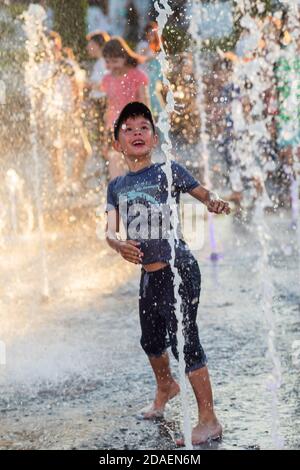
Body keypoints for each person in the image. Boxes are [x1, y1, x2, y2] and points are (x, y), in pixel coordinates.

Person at [105, 102, 230, 445]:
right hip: (149, 275)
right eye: (128, 130)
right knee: (151, 341)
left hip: (179, 270)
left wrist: (214, 202)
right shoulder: (116, 186)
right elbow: (110, 230)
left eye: (143, 127)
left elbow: (203, 194)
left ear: (154, 137)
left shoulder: (168, 171)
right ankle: (166, 387)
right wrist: (118, 246)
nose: (136, 134)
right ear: (118, 143)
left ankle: (209, 419)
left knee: (186, 343)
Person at [100, 37, 150, 180]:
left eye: (115, 61)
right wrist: (105, 135)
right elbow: (109, 107)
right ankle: (118, 196)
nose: (112, 66)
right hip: (114, 126)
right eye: (108, 62)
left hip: (134, 127)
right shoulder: (107, 79)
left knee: (135, 164)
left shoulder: (137, 75)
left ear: (124, 56)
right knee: (114, 160)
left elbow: (145, 104)